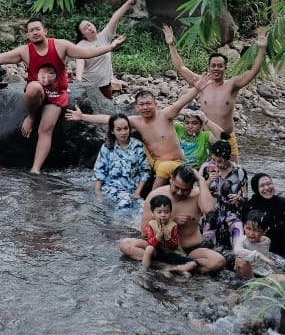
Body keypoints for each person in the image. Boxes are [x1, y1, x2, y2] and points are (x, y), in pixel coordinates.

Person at [0, 17, 126, 174]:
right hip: (36, 93)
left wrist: (111, 47)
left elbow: (87, 53)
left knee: (46, 129)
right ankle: (31, 115)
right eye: (31, 30)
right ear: (27, 35)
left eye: (38, 29)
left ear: (45, 31)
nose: (35, 32)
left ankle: (35, 169)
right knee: (34, 87)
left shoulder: (60, 45)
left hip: (56, 94)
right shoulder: (25, 51)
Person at [67, 76, 210, 189]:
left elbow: (180, 102)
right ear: (136, 107)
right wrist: (83, 117)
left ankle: (152, 201)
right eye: (141, 105)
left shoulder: (166, 115)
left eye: (149, 103)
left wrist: (196, 89)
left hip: (171, 161)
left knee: (164, 169)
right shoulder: (136, 121)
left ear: (156, 104)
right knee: (126, 148)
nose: (145, 107)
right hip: (151, 159)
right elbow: (110, 119)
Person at [163, 24, 269, 160]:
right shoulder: (202, 83)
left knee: (233, 172)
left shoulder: (232, 85)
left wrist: (261, 48)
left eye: (220, 66)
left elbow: (253, 71)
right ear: (208, 68)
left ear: (225, 68)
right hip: (206, 136)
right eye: (213, 66)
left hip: (227, 136)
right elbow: (181, 67)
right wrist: (171, 45)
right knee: (204, 171)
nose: (216, 69)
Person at [119, 165, 226, 274]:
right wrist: (172, 222)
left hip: (190, 250)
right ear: (171, 179)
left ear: (191, 187)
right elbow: (144, 230)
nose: (179, 193)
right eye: (176, 187)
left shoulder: (198, 194)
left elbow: (208, 209)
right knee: (125, 244)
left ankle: (183, 265)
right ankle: (169, 266)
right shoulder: (156, 195)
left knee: (218, 261)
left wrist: (201, 179)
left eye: (185, 190)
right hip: (161, 248)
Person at [73, 0, 139, 99]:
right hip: (89, 86)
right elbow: (79, 63)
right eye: (85, 29)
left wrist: (129, 2)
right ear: (83, 35)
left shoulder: (104, 36)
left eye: (89, 25)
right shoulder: (80, 46)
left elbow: (115, 17)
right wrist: (78, 79)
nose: (89, 28)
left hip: (105, 84)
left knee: (108, 112)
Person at [93, 114, 152, 210]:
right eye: (119, 129)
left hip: (132, 191)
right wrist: (97, 194)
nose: (123, 132)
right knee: (124, 204)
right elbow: (99, 172)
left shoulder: (138, 146)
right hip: (110, 189)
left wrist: (137, 192)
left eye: (126, 128)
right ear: (112, 131)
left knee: (144, 209)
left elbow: (145, 171)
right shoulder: (107, 147)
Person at [198, 139, 247, 252]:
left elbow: (245, 197)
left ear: (228, 158)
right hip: (210, 212)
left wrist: (239, 198)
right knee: (207, 237)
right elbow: (197, 193)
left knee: (237, 233)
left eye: (220, 161)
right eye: (213, 160)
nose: (216, 164)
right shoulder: (206, 168)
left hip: (231, 212)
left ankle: (238, 254)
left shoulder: (239, 171)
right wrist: (208, 181)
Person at [142, 194, 198, 275]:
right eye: (159, 212)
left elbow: (173, 246)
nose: (163, 215)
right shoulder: (150, 224)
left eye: (166, 212)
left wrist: (167, 235)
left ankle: (176, 269)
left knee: (194, 263)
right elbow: (150, 242)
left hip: (173, 254)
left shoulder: (173, 226)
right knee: (149, 248)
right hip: (159, 253)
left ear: (170, 213)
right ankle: (143, 270)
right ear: (152, 213)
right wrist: (159, 235)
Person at [233, 210, 282, 278]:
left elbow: (265, 259)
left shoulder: (266, 241)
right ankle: (252, 282)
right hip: (245, 271)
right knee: (240, 260)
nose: (251, 233)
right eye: (248, 228)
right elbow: (237, 250)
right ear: (244, 226)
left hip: (261, 271)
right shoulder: (242, 240)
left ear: (264, 231)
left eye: (256, 230)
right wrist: (258, 255)